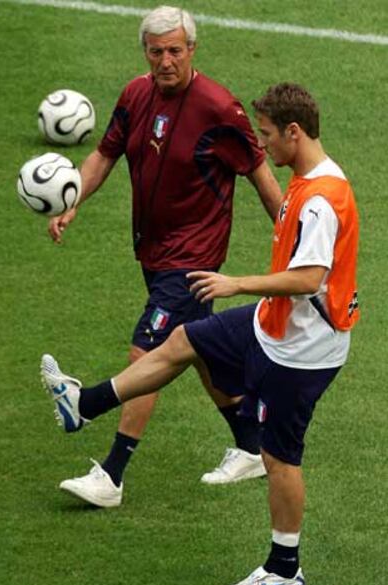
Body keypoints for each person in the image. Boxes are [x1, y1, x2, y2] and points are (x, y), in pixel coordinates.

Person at [42, 82, 359, 585]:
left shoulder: (321, 199)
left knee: (281, 459)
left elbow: (310, 279)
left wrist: (236, 283)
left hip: (303, 350)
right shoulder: (310, 177)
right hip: (273, 323)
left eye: (268, 135)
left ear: (294, 132)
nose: (263, 145)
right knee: (187, 339)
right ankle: (84, 404)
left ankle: (283, 568)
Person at [47, 5, 282, 506]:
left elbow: (262, 179)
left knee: (149, 354)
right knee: (202, 351)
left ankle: (111, 474)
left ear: (192, 50)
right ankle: (252, 448)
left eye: (176, 50)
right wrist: (71, 201)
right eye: (157, 52)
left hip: (193, 260)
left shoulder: (220, 109)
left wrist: (298, 244)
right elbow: (105, 154)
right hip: (152, 253)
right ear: (145, 53)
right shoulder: (135, 94)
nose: (166, 60)